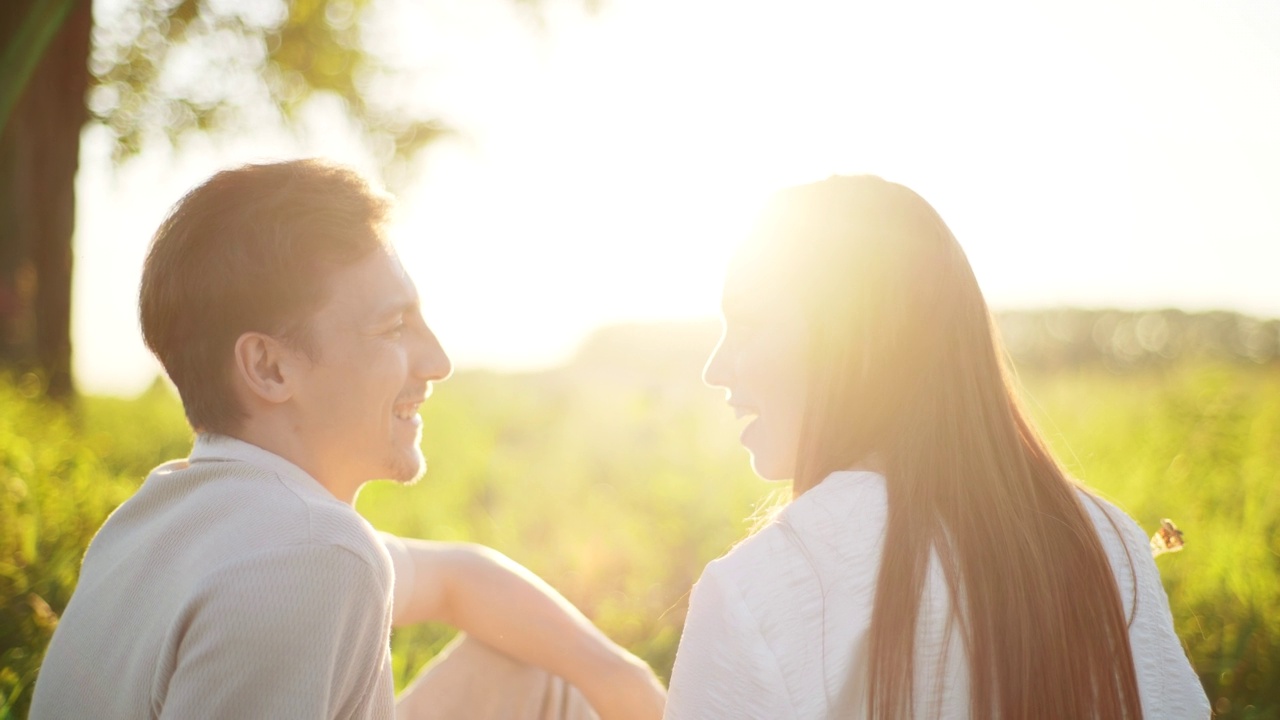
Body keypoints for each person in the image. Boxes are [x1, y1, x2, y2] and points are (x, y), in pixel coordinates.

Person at [30, 159, 665, 719]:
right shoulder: (313, 552)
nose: (438, 360)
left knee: (533, 658)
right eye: (393, 328)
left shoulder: (162, 517)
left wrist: (620, 678)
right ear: (270, 368)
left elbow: (458, 578)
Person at [663, 175, 1210, 719]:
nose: (716, 368)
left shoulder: (759, 593)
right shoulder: (1109, 544)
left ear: (856, 335)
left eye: (748, 324)